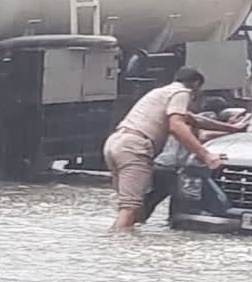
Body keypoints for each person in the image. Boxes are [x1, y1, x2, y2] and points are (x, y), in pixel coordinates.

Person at [103, 67, 243, 231]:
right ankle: (120, 246)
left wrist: (233, 129)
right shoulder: (182, 93)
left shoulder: (161, 93)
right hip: (135, 146)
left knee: (131, 206)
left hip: (115, 143)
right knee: (130, 207)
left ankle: (121, 241)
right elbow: (177, 126)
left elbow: (194, 121)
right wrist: (207, 156)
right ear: (196, 84)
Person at [139, 97, 232, 224]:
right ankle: (165, 223)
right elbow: (203, 136)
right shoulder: (204, 119)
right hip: (173, 167)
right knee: (179, 202)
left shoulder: (181, 118)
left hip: (161, 164)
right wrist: (232, 130)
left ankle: (134, 223)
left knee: (152, 199)